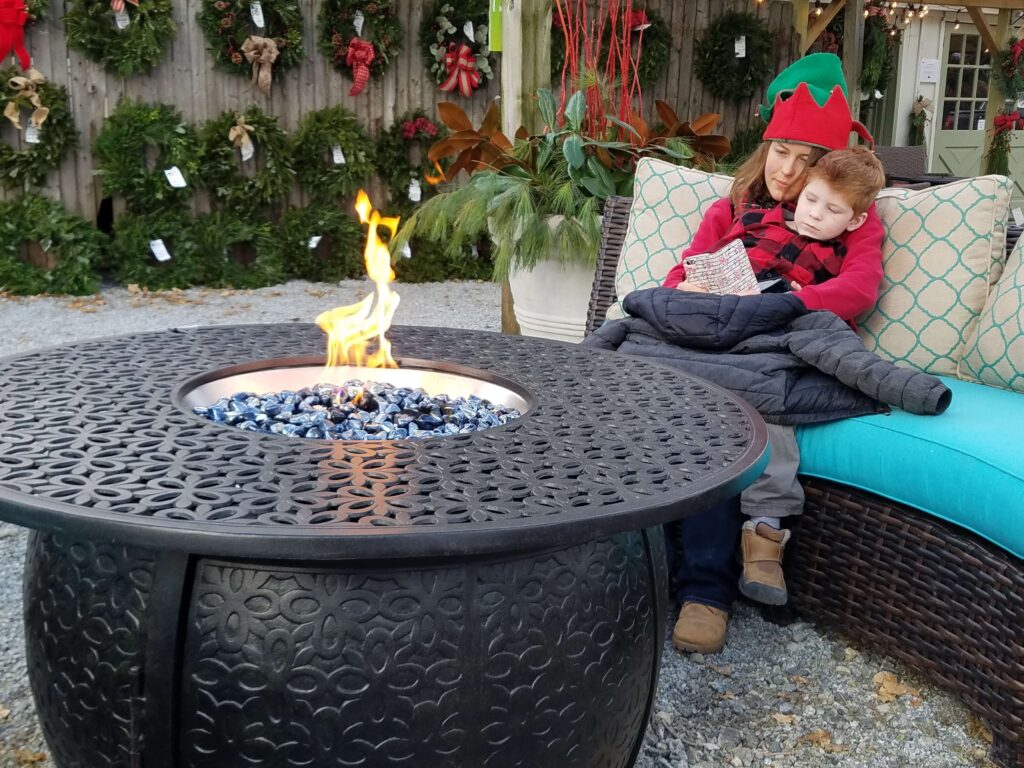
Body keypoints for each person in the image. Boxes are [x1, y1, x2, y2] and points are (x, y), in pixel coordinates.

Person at [664, 53, 886, 655]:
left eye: (807, 159)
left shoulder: (848, 218)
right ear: (765, 148)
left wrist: (784, 302)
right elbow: (677, 275)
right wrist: (692, 288)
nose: (789, 172)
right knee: (651, 395)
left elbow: (859, 288)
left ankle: (705, 592)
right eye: (781, 151)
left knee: (725, 415)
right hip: (710, 328)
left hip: (776, 341)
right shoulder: (731, 207)